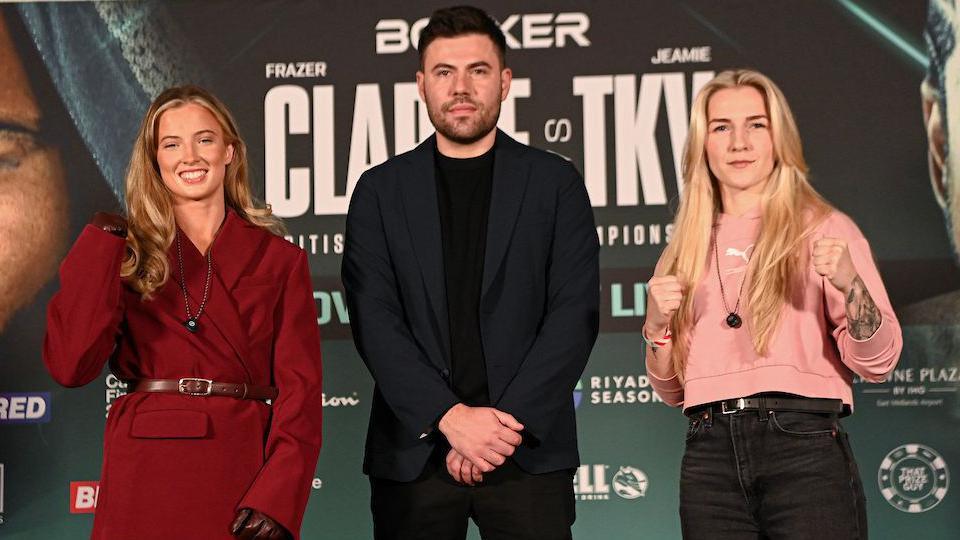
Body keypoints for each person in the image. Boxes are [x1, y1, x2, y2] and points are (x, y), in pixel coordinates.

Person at [342, 5, 599, 539]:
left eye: (478, 71)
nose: (461, 87)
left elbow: (573, 315)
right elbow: (375, 320)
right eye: (444, 72)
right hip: (415, 456)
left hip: (526, 452)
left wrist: (497, 431)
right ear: (421, 84)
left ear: (504, 82)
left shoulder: (555, 183)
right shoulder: (380, 191)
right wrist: (450, 419)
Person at [43, 85, 323, 540]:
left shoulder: (279, 259)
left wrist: (279, 496)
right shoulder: (125, 252)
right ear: (155, 161)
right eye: (171, 144)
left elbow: (302, 395)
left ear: (230, 151)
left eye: (204, 140)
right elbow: (70, 366)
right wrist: (102, 243)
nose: (189, 156)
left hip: (240, 468)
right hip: (145, 467)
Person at [644, 69, 902, 539]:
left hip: (802, 442)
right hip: (708, 450)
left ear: (778, 138)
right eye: (722, 127)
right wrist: (656, 325)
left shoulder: (825, 227)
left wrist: (851, 284)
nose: (739, 142)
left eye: (756, 125)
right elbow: (672, 389)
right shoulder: (683, 247)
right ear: (703, 144)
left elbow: (878, 362)